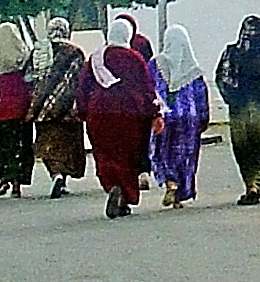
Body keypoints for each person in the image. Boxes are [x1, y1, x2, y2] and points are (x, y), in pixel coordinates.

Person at [77, 19, 164, 219]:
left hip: (99, 113)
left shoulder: (95, 58)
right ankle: (124, 195)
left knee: (105, 154)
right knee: (128, 156)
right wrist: (155, 114)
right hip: (130, 114)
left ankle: (112, 185)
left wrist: (83, 112)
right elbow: (147, 89)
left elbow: (83, 88)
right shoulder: (134, 58)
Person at [216, 15, 260, 206]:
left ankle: (251, 185)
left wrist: (231, 98)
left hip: (240, 113)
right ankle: (258, 182)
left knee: (244, 152)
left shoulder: (232, 53)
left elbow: (221, 77)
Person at [148, 24, 210, 209]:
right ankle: (179, 196)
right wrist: (203, 120)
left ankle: (170, 183)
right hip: (189, 119)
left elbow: (149, 90)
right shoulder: (194, 70)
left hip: (165, 117)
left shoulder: (156, 63)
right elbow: (201, 97)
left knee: (163, 152)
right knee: (185, 156)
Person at [26, 16, 87, 199]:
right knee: (68, 145)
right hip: (68, 110)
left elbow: (29, 78)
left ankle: (56, 175)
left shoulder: (38, 51)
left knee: (48, 145)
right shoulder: (75, 52)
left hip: (43, 109)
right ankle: (64, 178)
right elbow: (79, 80)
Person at [0, 22, 34, 198]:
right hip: (21, 108)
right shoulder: (24, 53)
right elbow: (30, 80)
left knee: (0, 145)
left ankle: (4, 178)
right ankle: (17, 184)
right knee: (21, 145)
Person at [113, 12, 155, 190]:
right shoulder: (142, 43)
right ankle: (143, 171)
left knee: (123, 140)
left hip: (116, 103)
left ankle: (126, 175)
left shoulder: (109, 50)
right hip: (139, 101)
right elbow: (149, 70)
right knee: (143, 137)